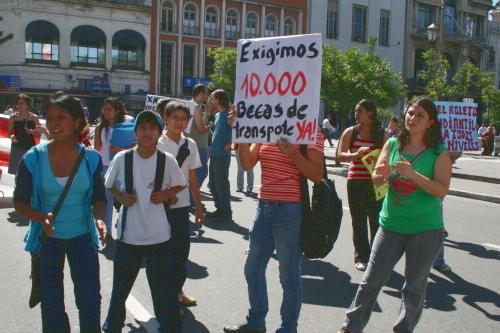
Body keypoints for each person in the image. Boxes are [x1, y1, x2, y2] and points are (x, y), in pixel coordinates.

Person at [337, 96, 452, 333]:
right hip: (390, 225)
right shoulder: (392, 144)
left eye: (420, 115)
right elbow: (376, 177)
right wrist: (384, 173)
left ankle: (403, 329)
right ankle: (351, 327)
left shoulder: (438, 152)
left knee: (414, 287)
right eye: (410, 113)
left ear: (430, 122)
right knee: (370, 281)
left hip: (425, 229)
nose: (413, 118)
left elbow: (441, 190)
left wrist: (413, 175)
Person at [13, 94, 107, 333]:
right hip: (47, 241)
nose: (54, 123)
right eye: (51, 117)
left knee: (89, 301)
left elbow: (99, 198)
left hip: (83, 238)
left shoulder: (91, 159)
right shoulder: (33, 158)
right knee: (52, 305)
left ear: (77, 122)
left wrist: (98, 219)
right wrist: (39, 217)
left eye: (62, 117)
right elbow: (19, 202)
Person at [224, 113, 324, 333]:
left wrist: (294, 154)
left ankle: (287, 329)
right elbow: (248, 164)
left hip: (290, 211)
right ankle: (256, 323)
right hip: (264, 207)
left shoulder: (310, 129)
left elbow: (317, 175)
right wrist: (240, 133)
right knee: (252, 269)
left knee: (289, 276)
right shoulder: (265, 125)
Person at [102, 110, 186, 333]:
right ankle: (114, 324)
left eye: (151, 128)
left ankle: (169, 326)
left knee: (163, 291)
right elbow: (108, 183)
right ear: (135, 131)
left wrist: (166, 194)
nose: (146, 132)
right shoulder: (123, 158)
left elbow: (181, 183)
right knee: (120, 288)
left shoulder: (166, 160)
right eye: (142, 127)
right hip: (128, 236)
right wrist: (121, 197)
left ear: (159, 133)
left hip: (159, 237)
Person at [157, 101, 204, 307]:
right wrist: (166, 192)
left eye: (184, 118)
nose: (179, 122)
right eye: (174, 118)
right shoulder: (156, 143)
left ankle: (177, 291)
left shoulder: (190, 144)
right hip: (159, 207)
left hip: (182, 207)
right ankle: (165, 295)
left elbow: (192, 175)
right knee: (162, 253)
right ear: (165, 119)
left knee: (181, 252)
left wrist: (199, 205)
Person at [337, 99, 388, 271]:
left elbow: (390, 158)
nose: (355, 114)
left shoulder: (382, 134)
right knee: (358, 221)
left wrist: (379, 159)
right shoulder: (351, 132)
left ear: (370, 113)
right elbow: (340, 155)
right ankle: (361, 257)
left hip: (376, 184)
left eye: (359, 111)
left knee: (376, 221)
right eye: (355, 111)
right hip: (355, 182)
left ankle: (376, 256)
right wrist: (355, 155)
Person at [93, 97, 126, 238]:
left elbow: (133, 147)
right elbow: (96, 149)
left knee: (126, 198)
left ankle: (125, 225)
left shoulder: (125, 126)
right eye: (104, 109)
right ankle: (105, 231)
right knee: (106, 200)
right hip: (105, 167)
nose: (106, 112)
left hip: (122, 167)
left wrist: (120, 149)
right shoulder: (100, 127)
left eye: (109, 109)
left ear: (117, 111)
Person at [205, 89, 233, 222]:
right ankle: (219, 209)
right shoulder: (217, 115)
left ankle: (226, 212)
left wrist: (230, 143)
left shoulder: (228, 115)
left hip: (222, 155)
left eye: (213, 98)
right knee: (214, 184)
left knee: (222, 184)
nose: (211, 100)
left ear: (219, 99)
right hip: (215, 153)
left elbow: (237, 129)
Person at [8, 94, 42, 174]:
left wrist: (32, 132)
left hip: (30, 148)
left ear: (27, 105)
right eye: (18, 103)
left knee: (29, 172)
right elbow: (9, 133)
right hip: (16, 147)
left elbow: (38, 135)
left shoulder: (34, 117)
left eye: (21, 103)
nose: (18, 105)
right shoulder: (12, 117)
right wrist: (12, 137)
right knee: (16, 172)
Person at [186, 84, 211, 189]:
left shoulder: (193, 105)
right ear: (201, 94)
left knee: (195, 174)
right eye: (206, 94)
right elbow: (201, 128)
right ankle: (192, 199)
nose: (208, 97)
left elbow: (201, 124)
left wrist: (207, 112)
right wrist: (209, 128)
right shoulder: (195, 107)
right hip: (198, 145)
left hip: (195, 144)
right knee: (201, 172)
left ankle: (192, 198)